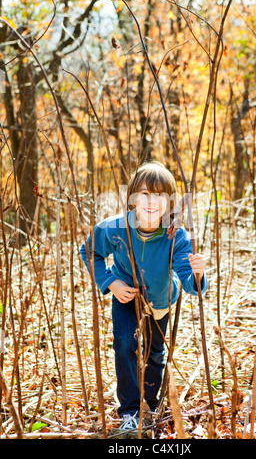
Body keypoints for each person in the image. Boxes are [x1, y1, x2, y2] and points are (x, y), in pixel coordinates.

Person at [80, 161, 208, 431]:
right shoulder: (114, 228)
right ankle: (130, 410)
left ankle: (149, 403)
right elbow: (89, 251)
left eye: (160, 195)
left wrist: (196, 274)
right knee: (125, 344)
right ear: (133, 197)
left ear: (170, 202)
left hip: (161, 300)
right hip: (126, 295)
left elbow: (189, 281)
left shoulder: (176, 235)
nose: (152, 202)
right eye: (145, 194)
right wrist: (110, 282)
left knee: (154, 353)